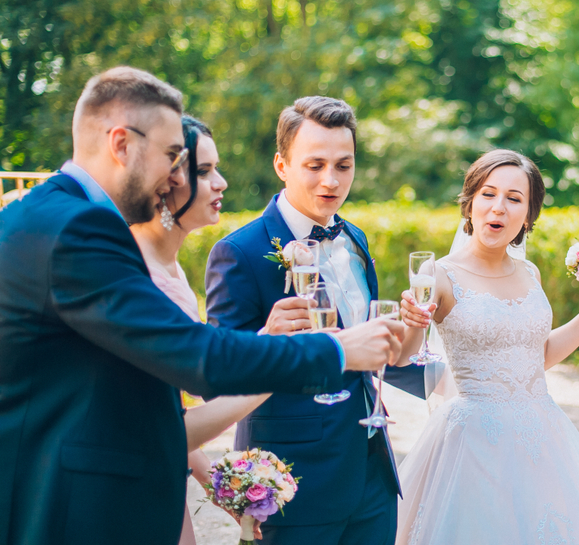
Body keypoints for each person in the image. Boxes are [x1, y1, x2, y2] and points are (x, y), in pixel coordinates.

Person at [0, 67, 404, 545]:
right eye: (173, 156)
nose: (176, 177)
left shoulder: (44, 213)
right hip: (68, 505)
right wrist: (338, 351)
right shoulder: (78, 230)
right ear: (121, 145)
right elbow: (197, 357)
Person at [205, 96, 423, 545]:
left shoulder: (355, 240)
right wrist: (269, 341)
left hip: (371, 472)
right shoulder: (239, 253)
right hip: (293, 483)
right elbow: (217, 379)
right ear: (282, 165)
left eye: (344, 165)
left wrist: (408, 330)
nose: (331, 180)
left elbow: (368, 350)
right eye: (315, 165)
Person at [395, 149, 579, 545]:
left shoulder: (530, 272)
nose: (499, 208)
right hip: (473, 440)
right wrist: (411, 323)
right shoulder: (438, 274)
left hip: (542, 431)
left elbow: (538, 357)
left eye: (514, 198)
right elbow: (405, 358)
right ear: (470, 203)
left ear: (528, 215)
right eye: (488, 194)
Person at [131, 115, 272, 544]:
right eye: (206, 171)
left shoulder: (169, 267)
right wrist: (279, 365)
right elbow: (156, 428)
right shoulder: (139, 278)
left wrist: (222, 488)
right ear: (163, 180)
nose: (222, 183)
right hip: (128, 489)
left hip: (162, 479)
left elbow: (163, 406)